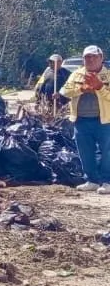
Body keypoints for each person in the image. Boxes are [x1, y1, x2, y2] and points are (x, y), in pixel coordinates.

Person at [59, 44, 110, 193]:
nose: (91, 60)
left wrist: (100, 87)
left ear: (101, 58)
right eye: (87, 57)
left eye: (94, 56)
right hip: (81, 120)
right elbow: (65, 92)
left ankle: (107, 181)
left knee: (107, 151)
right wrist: (82, 89)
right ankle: (92, 180)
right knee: (85, 152)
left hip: (105, 121)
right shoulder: (76, 74)